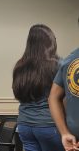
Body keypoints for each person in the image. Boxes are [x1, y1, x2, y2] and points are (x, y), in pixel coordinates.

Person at [12, 24, 64, 151]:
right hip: (49, 125)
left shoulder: (20, 66)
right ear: (50, 42)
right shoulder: (58, 65)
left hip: (24, 126)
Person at [49, 18, 79, 151]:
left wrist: (64, 132)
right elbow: (53, 97)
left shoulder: (69, 59)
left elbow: (53, 97)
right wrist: (64, 132)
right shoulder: (69, 60)